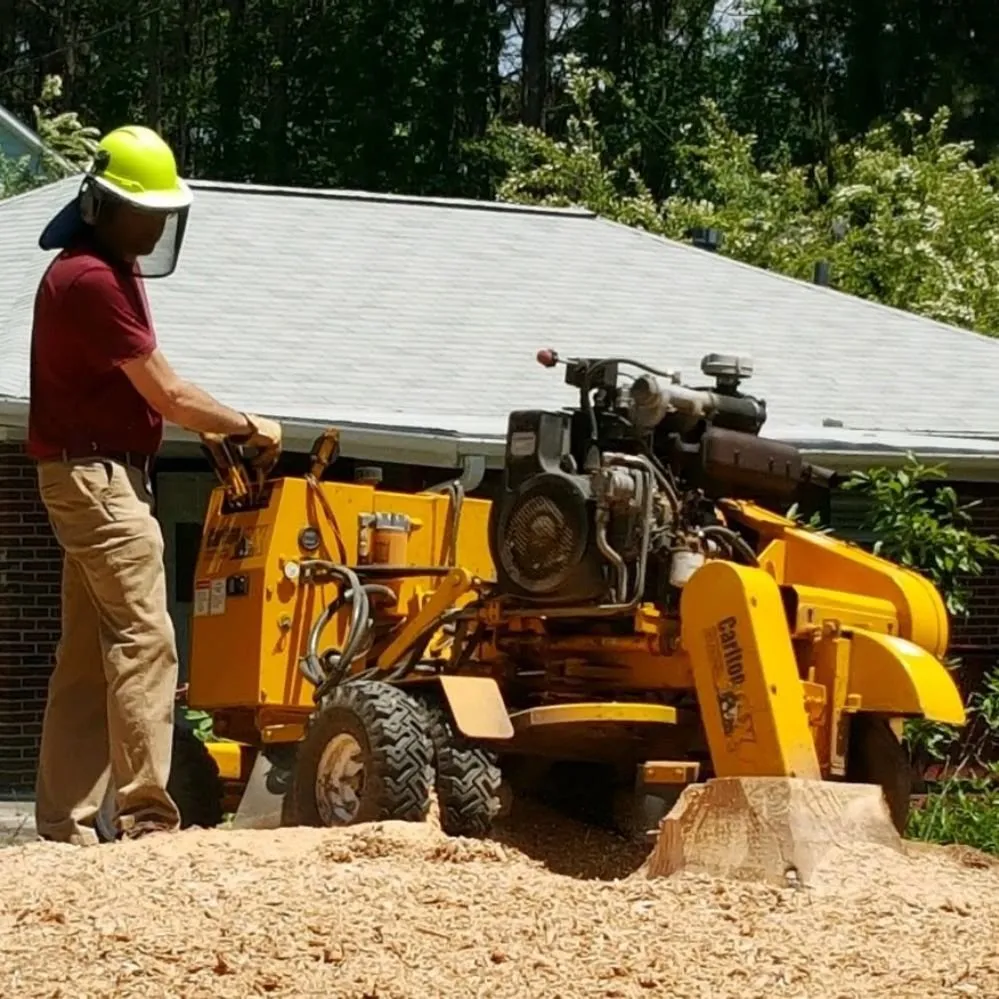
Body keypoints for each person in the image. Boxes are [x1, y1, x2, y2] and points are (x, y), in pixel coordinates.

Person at [26, 124, 282, 845]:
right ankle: (145, 816)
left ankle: (63, 823)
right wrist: (245, 423)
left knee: (85, 653)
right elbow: (167, 391)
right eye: (148, 211)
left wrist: (205, 423)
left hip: (102, 472)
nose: (158, 224)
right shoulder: (86, 278)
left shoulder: (116, 270)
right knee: (145, 634)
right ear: (104, 206)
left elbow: (154, 387)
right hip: (95, 476)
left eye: (165, 213)